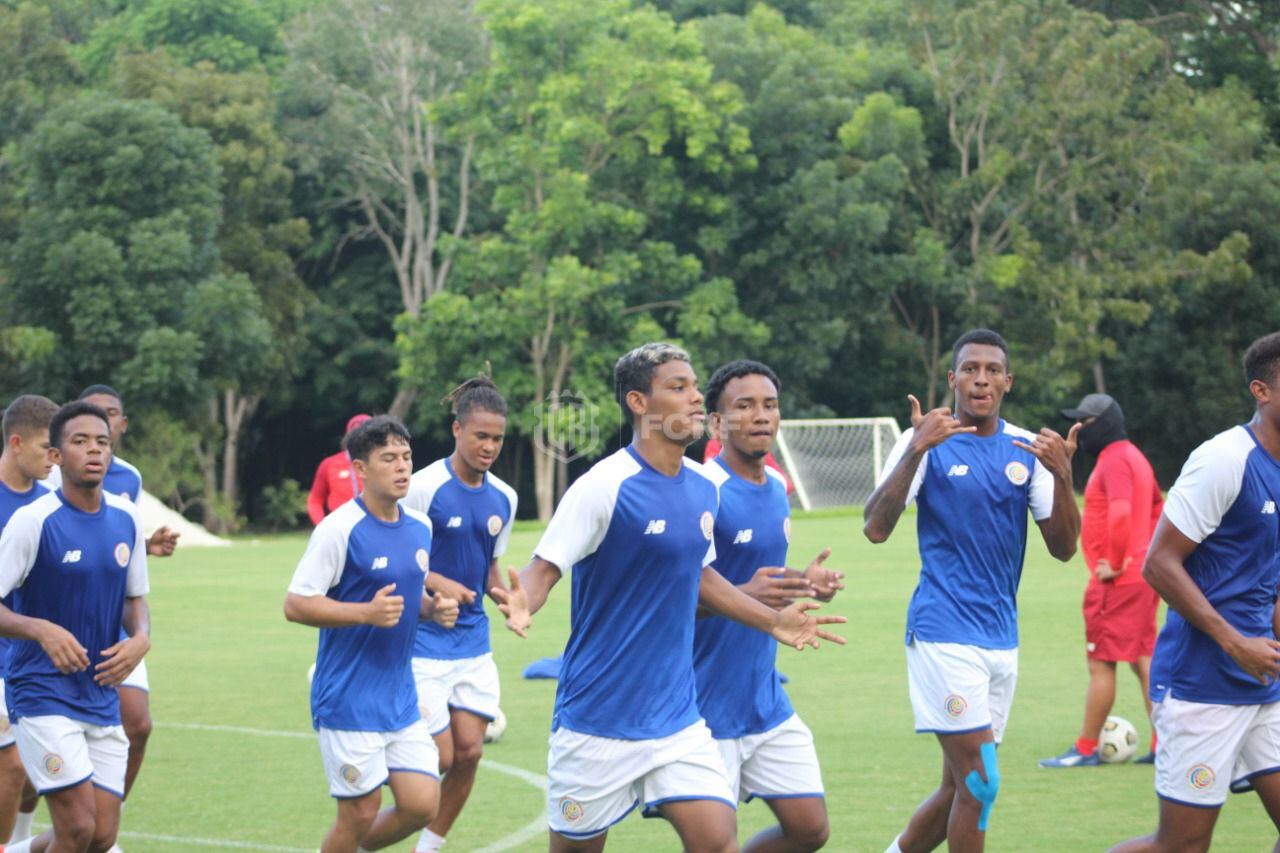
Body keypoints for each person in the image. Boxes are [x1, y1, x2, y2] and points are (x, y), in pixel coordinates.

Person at [491, 342, 846, 852]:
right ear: (639, 402)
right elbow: (544, 569)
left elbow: (701, 578)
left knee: (718, 841)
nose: (695, 398)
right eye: (678, 388)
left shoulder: (703, 488)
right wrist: (522, 597)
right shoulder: (604, 485)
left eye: (695, 386)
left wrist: (773, 621)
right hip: (597, 719)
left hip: (678, 719)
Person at [863, 328, 1081, 853]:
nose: (979, 378)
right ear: (951, 378)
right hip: (943, 632)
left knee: (957, 788)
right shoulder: (928, 442)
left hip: (1001, 639)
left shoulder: (1027, 449)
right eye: (969, 369)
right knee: (981, 782)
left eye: (991, 370)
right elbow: (875, 527)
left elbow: (1064, 548)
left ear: (1007, 381)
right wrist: (916, 448)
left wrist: (1064, 476)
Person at [1109, 332, 1280, 853]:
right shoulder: (1224, 459)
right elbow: (1158, 565)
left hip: (1264, 684)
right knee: (1180, 846)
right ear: (1261, 391)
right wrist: (1235, 642)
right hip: (1200, 684)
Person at [284, 415, 460, 853]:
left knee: (422, 803)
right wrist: (365, 612)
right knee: (360, 812)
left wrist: (432, 610)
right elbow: (296, 604)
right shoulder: (338, 530)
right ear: (360, 469)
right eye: (388, 458)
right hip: (348, 698)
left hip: (399, 696)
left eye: (406, 457)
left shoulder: (420, 526)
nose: (402, 467)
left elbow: (408, 597)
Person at [696, 359, 846, 852]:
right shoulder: (701, 491)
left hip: (763, 699)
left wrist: (806, 581)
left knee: (810, 828)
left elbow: (762, 578)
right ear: (717, 423)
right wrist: (745, 598)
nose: (761, 415)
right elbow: (677, 594)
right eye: (744, 406)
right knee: (713, 843)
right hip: (702, 702)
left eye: (770, 404)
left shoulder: (779, 488)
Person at [0, 400, 151, 853]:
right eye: (80, 441)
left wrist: (142, 638)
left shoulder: (127, 517)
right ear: (56, 456)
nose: (94, 451)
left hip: (100, 692)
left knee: (102, 836)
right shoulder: (33, 522)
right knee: (78, 828)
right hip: (40, 689)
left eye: (102, 442)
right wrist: (41, 630)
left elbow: (134, 598)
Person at [402, 376, 517, 853]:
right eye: (480, 437)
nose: (489, 447)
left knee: (469, 751)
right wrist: (437, 584)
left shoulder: (505, 498)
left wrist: (508, 599)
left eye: (497, 439)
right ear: (457, 430)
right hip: (425, 639)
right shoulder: (423, 488)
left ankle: (428, 846)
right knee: (442, 755)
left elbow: (488, 565)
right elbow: (400, 556)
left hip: (473, 643)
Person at [1040, 393, 1163, 768]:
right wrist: (1145, 559)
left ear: (1105, 423)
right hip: (1143, 577)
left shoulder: (1114, 462)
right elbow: (1158, 509)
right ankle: (1166, 745)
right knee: (1143, 660)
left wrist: (1116, 561)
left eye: (1086, 422)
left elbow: (1123, 513)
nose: (1078, 428)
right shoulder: (1135, 457)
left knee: (1101, 663)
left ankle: (1085, 747)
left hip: (1118, 582)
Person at [0, 396, 59, 844]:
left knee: (37, 772)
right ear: (16, 443)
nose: (53, 457)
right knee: (15, 762)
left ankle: (18, 839)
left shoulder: (50, 505)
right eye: (46, 447)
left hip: (25, 659)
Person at [308, 414, 374, 525]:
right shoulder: (330, 464)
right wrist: (322, 525)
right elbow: (315, 500)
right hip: (340, 525)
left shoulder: (385, 463)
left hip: (374, 523)